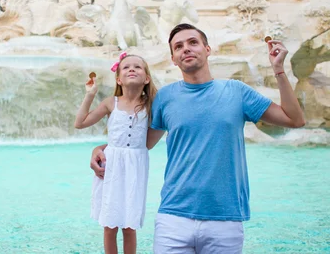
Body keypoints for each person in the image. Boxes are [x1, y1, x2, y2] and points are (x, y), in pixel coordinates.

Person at [91, 23, 305, 253]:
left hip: (225, 218)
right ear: (173, 58)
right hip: (172, 217)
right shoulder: (165, 97)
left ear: (207, 49)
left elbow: (294, 120)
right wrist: (101, 148)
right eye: (179, 46)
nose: (186, 49)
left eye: (193, 42)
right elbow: (141, 142)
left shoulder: (236, 91)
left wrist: (279, 71)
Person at [75, 53, 158, 254]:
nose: (132, 69)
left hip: (135, 168)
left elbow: (146, 144)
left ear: (146, 78)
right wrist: (90, 95)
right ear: (119, 79)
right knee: (110, 225)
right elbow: (80, 123)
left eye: (137, 67)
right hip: (111, 168)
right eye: (126, 67)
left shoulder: (152, 105)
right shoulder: (110, 103)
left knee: (129, 226)